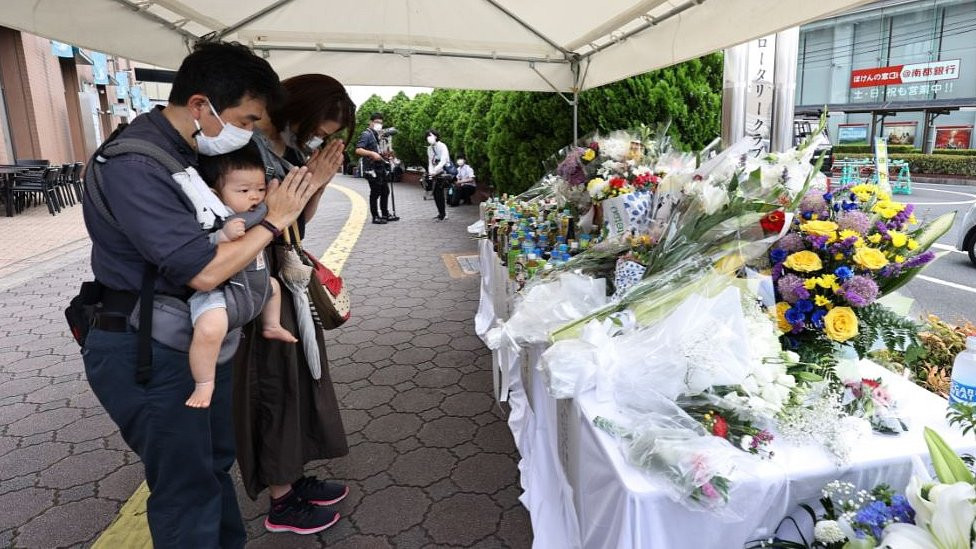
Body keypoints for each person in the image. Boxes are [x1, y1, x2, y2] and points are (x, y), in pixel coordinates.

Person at [80, 41, 322, 548]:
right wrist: (274, 219)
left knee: (211, 468)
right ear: (199, 105)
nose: (251, 132)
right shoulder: (136, 164)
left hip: (183, 340)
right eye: (247, 118)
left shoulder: (180, 151)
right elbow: (205, 273)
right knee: (186, 488)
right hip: (148, 349)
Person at [238, 73, 353, 535]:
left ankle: (294, 478)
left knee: (303, 378)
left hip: (288, 278)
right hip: (260, 282)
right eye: (320, 126)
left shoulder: (291, 150)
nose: (321, 137)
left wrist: (319, 181)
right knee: (275, 385)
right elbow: (248, 220)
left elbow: (299, 221)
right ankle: (281, 502)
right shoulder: (244, 150)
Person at [186, 143, 297, 409]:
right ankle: (204, 382)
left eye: (260, 190)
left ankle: (271, 325)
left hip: (254, 286)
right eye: (244, 191)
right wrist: (222, 236)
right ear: (215, 194)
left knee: (274, 286)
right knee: (210, 329)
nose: (254, 198)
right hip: (220, 293)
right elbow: (202, 245)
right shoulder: (216, 217)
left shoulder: (257, 214)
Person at [354, 113, 397, 224]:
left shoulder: (378, 135)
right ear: (371, 122)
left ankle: (385, 214)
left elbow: (380, 151)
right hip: (371, 169)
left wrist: (387, 155)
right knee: (375, 192)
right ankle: (375, 216)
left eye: (381, 123)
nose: (379, 125)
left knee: (385, 191)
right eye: (377, 122)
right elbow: (358, 150)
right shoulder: (366, 134)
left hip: (380, 168)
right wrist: (372, 154)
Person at [426, 129, 453, 221]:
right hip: (435, 173)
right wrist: (431, 171)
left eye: (431, 135)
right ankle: (441, 213)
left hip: (443, 172)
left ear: (436, 136)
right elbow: (430, 161)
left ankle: (443, 214)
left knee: (439, 193)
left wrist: (435, 170)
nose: (429, 138)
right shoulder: (429, 148)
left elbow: (444, 160)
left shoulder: (442, 146)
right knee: (436, 194)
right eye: (427, 136)